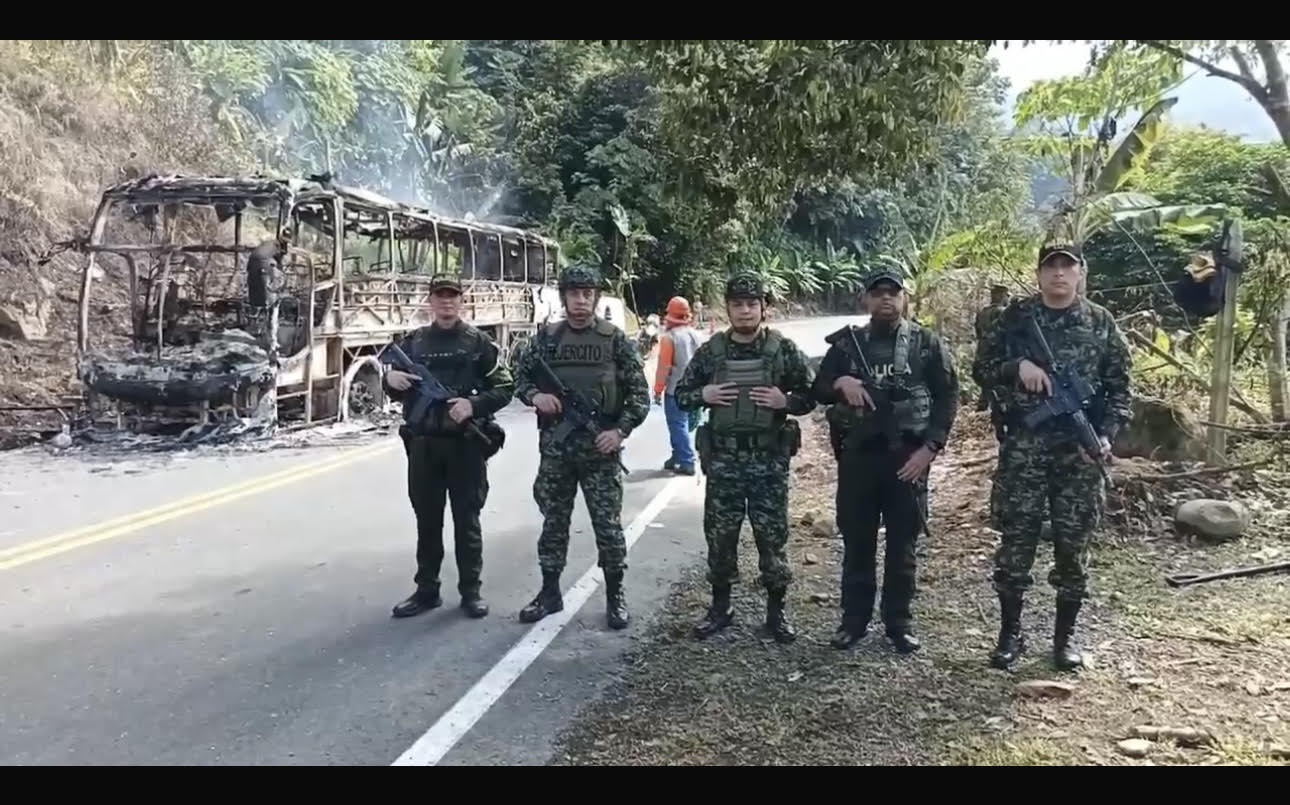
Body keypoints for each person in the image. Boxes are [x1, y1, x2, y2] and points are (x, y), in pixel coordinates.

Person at [974, 244, 1132, 671]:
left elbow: (1120, 390)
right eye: (1051, 266)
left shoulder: (1100, 323)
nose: (1059, 274)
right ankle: (1010, 635)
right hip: (1025, 447)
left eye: (1068, 266)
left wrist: (1104, 435)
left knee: (1073, 548)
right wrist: (1017, 367)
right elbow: (981, 368)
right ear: (1040, 273)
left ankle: (1063, 641)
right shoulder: (1015, 318)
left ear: (1081, 272)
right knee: (1015, 545)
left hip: (1078, 455)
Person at [812, 268, 959, 653]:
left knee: (903, 548)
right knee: (858, 544)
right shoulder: (847, 347)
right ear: (866, 300)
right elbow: (819, 388)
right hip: (859, 460)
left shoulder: (926, 343)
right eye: (878, 293)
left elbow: (947, 398)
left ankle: (899, 624)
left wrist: (929, 451)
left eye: (893, 293)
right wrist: (841, 383)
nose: (886, 299)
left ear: (904, 298)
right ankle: (853, 622)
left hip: (908, 458)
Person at [675, 273, 816, 644]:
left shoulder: (781, 349)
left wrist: (787, 401)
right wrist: (703, 393)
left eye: (752, 303)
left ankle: (777, 611)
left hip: (768, 460)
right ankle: (721, 607)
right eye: (737, 304)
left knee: (772, 539)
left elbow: (813, 391)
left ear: (763, 308)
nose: (745, 310)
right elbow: (681, 395)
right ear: (728, 308)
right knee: (720, 538)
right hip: (724, 462)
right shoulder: (712, 351)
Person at [512, 265, 651, 630]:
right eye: (574, 293)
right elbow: (520, 376)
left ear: (595, 296)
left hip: (600, 453)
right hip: (557, 452)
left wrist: (619, 432)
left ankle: (615, 596)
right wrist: (536, 395)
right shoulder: (546, 339)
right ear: (564, 297)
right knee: (553, 524)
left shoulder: (615, 340)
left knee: (607, 528)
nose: (581, 300)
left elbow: (640, 395)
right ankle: (549, 593)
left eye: (587, 293)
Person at [383, 275, 514, 620]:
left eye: (452, 296)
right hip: (424, 446)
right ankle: (427, 590)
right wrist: (389, 380)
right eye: (440, 297)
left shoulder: (478, 343)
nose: (446, 302)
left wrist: (474, 406)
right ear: (430, 302)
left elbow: (505, 386)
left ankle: (471, 591)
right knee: (427, 521)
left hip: (464, 446)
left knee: (466, 520)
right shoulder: (413, 344)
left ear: (461, 301)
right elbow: (397, 384)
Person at [653, 296, 702, 476]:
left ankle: (687, 460)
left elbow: (663, 368)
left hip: (675, 391)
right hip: (695, 389)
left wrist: (658, 390)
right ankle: (678, 455)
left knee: (677, 425)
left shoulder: (669, 338)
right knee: (687, 424)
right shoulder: (696, 335)